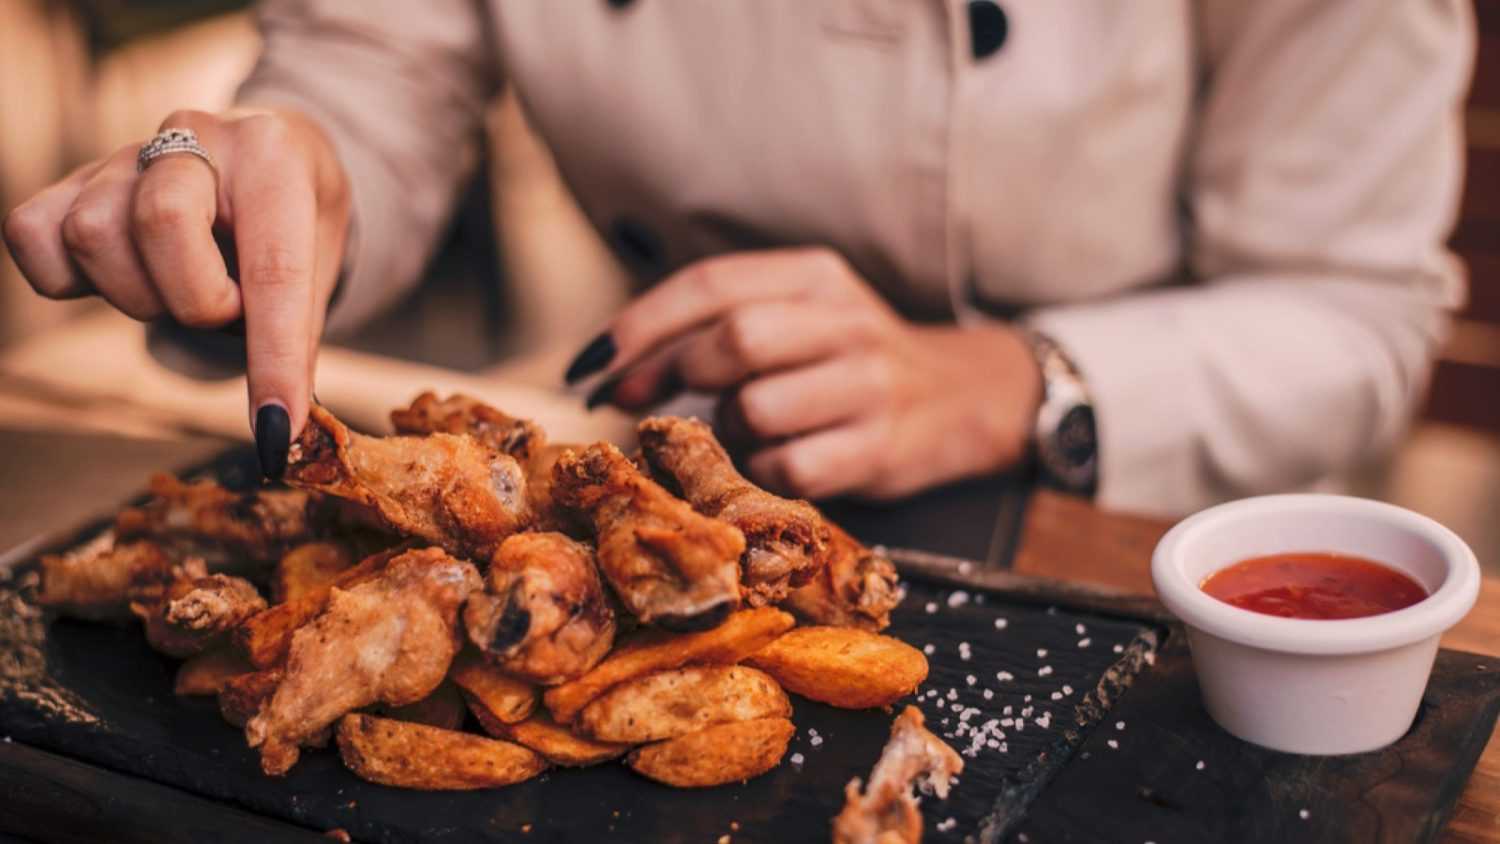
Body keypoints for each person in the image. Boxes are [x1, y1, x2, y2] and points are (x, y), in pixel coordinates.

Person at [1, 1, 1475, 515]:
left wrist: (1005, 381)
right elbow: (368, 77)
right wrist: (276, 174)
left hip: (1147, 526)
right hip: (694, 463)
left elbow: (1357, 314)